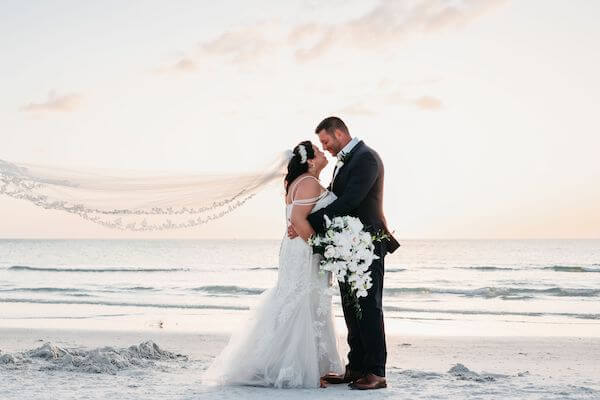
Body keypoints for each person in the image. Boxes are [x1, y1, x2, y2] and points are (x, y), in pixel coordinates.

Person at [202, 140, 344, 388]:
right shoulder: (309, 183)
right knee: (303, 300)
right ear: (310, 161)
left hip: (294, 248)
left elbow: (298, 220)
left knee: (294, 298)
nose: (323, 154)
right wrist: (323, 248)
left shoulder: (295, 183)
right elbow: (300, 222)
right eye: (319, 151)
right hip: (304, 249)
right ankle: (300, 369)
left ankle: (294, 365)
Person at [289, 116, 400, 390]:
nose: (324, 147)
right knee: (351, 308)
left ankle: (376, 371)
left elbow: (350, 201)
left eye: (326, 141)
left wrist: (306, 223)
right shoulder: (344, 161)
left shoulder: (366, 158)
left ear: (339, 133)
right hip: (346, 245)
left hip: (367, 245)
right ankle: (356, 367)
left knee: (369, 307)